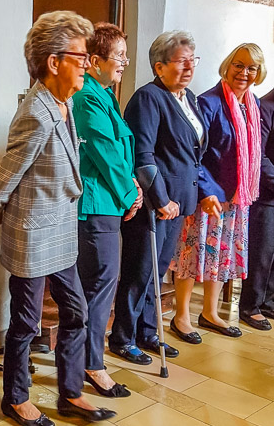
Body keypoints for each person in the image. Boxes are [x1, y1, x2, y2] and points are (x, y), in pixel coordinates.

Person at [0, 11, 116, 426]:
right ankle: (15, 398)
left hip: (60, 230)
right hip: (33, 235)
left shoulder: (65, 103)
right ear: (53, 61)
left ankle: (70, 392)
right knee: (26, 322)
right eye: (80, 57)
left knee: (75, 311)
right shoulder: (37, 113)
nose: (87, 65)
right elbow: (8, 171)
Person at [108, 31, 207, 362]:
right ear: (159, 66)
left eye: (192, 60)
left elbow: (194, 153)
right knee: (139, 271)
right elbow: (143, 155)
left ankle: (148, 332)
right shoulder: (148, 98)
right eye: (181, 61)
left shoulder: (188, 98)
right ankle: (123, 337)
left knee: (158, 270)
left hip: (178, 203)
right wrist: (162, 199)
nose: (189, 67)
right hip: (153, 203)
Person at [171, 43, 265, 340]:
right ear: (228, 65)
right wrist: (207, 191)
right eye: (239, 65)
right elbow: (194, 153)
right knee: (193, 255)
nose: (244, 72)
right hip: (208, 196)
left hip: (238, 196)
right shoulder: (208, 102)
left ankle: (210, 313)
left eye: (251, 68)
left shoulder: (252, 104)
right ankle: (181, 316)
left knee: (222, 256)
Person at [73, 22, 142, 397]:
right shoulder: (87, 96)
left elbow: (121, 151)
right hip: (97, 204)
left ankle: (84, 360)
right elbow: (104, 152)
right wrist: (129, 192)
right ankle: (91, 364)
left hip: (109, 202)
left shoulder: (104, 93)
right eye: (119, 56)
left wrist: (131, 187)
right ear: (95, 59)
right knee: (99, 286)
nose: (124, 63)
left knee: (99, 286)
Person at [239, 86, 274, 329]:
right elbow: (258, 155)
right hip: (265, 193)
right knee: (262, 253)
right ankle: (250, 306)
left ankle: (269, 303)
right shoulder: (265, 106)